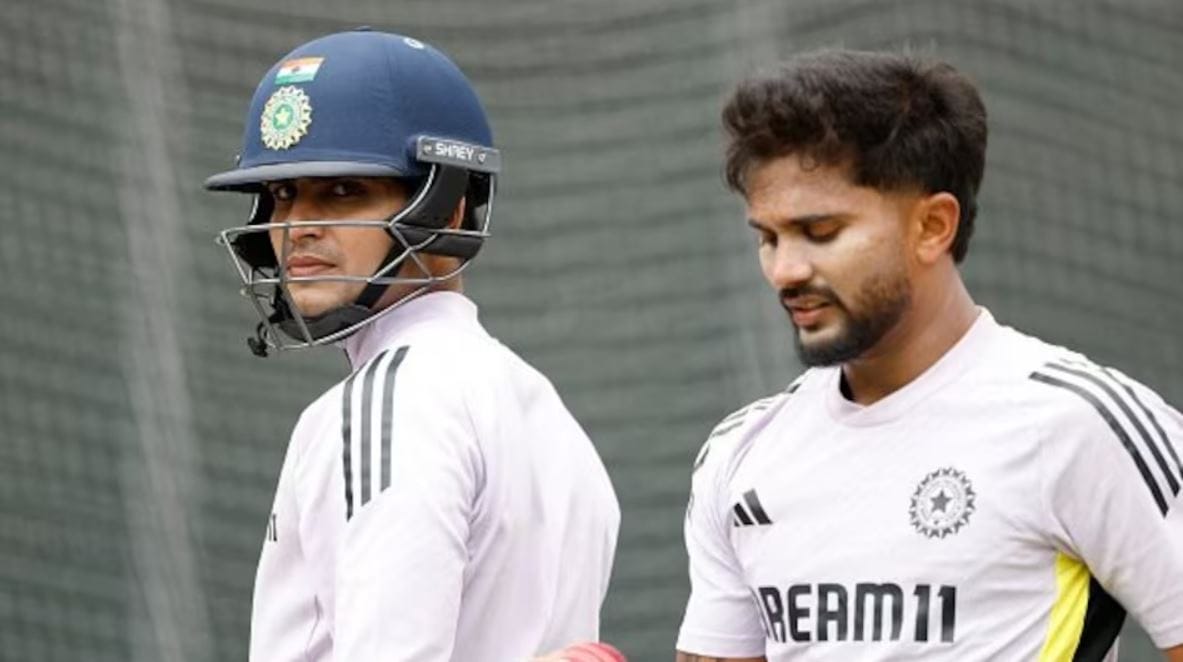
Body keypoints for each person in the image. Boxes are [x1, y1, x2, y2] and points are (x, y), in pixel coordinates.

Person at [675, 50, 1183, 661]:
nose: (785, 270)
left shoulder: (1080, 424)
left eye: (821, 233)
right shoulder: (741, 451)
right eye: (768, 237)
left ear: (934, 226)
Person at [205, 29, 620, 661]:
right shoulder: (546, 412)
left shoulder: (391, 400)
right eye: (284, 194)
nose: (297, 226)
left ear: (447, 209)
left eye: (343, 191)